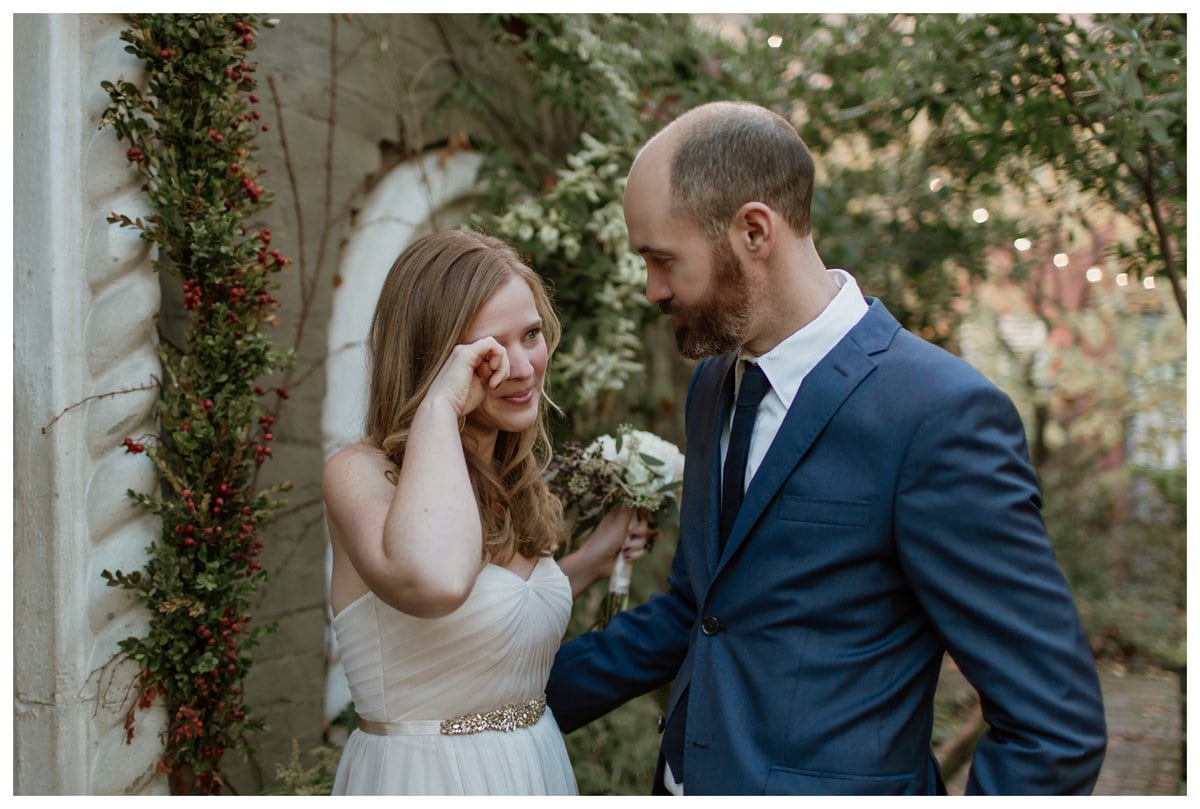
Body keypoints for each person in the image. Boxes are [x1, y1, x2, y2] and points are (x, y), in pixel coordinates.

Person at [545, 101, 1107, 795]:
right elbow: (701, 607)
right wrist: (504, 708)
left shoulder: (938, 416)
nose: (653, 289)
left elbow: (1055, 726)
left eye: (662, 260)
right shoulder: (715, 383)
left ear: (754, 230)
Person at [322, 229, 647, 795]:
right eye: (491, 351)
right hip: (426, 781)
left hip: (534, 769)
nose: (522, 367)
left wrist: (593, 560)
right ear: (434, 357)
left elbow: (486, 623)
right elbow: (439, 581)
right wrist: (441, 407)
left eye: (532, 335)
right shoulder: (361, 475)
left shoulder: (519, 483)